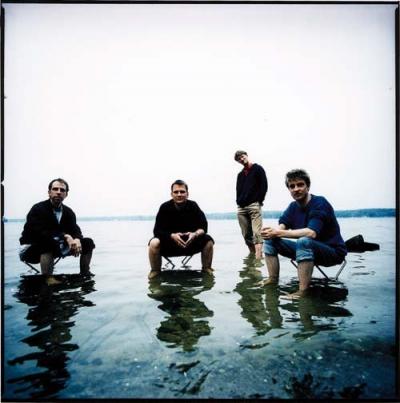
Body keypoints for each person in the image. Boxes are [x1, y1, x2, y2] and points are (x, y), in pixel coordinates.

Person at [260, 169, 347, 299]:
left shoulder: (320, 203)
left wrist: (278, 232)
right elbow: (282, 226)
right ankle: (272, 280)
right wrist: (270, 232)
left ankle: (303, 292)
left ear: (308, 187)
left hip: (333, 252)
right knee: (270, 240)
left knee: (304, 240)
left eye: (300, 185)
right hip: (309, 250)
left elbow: (311, 233)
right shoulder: (292, 207)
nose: (296, 189)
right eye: (292, 186)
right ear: (289, 189)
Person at [19, 178, 95, 285]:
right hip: (30, 248)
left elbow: (75, 229)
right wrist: (66, 236)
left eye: (62, 190)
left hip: (56, 245)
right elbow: (39, 232)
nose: (58, 192)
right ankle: (48, 278)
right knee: (47, 241)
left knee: (88, 242)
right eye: (55, 189)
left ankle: (85, 274)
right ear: (49, 192)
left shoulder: (68, 212)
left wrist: (77, 239)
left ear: (66, 194)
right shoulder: (38, 209)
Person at [148, 179, 214, 279]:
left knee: (208, 240)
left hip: (190, 243)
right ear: (171, 194)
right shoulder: (164, 207)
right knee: (154, 242)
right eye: (176, 192)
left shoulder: (193, 205)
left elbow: (204, 227)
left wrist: (195, 234)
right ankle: (155, 271)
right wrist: (172, 236)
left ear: (187, 194)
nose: (179, 194)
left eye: (182, 192)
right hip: (170, 245)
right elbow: (157, 231)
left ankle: (206, 269)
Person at [234, 150, 268, 259]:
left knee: (257, 233)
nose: (241, 159)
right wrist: (238, 201)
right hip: (241, 208)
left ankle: (258, 259)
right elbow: (238, 190)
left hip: (254, 205)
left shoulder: (258, 169)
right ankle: (252, 256)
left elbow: (264, 185)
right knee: (246, 234)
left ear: (246, 155)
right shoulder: (240, 175)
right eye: (239, 159)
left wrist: (259, 200)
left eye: (242, 156)